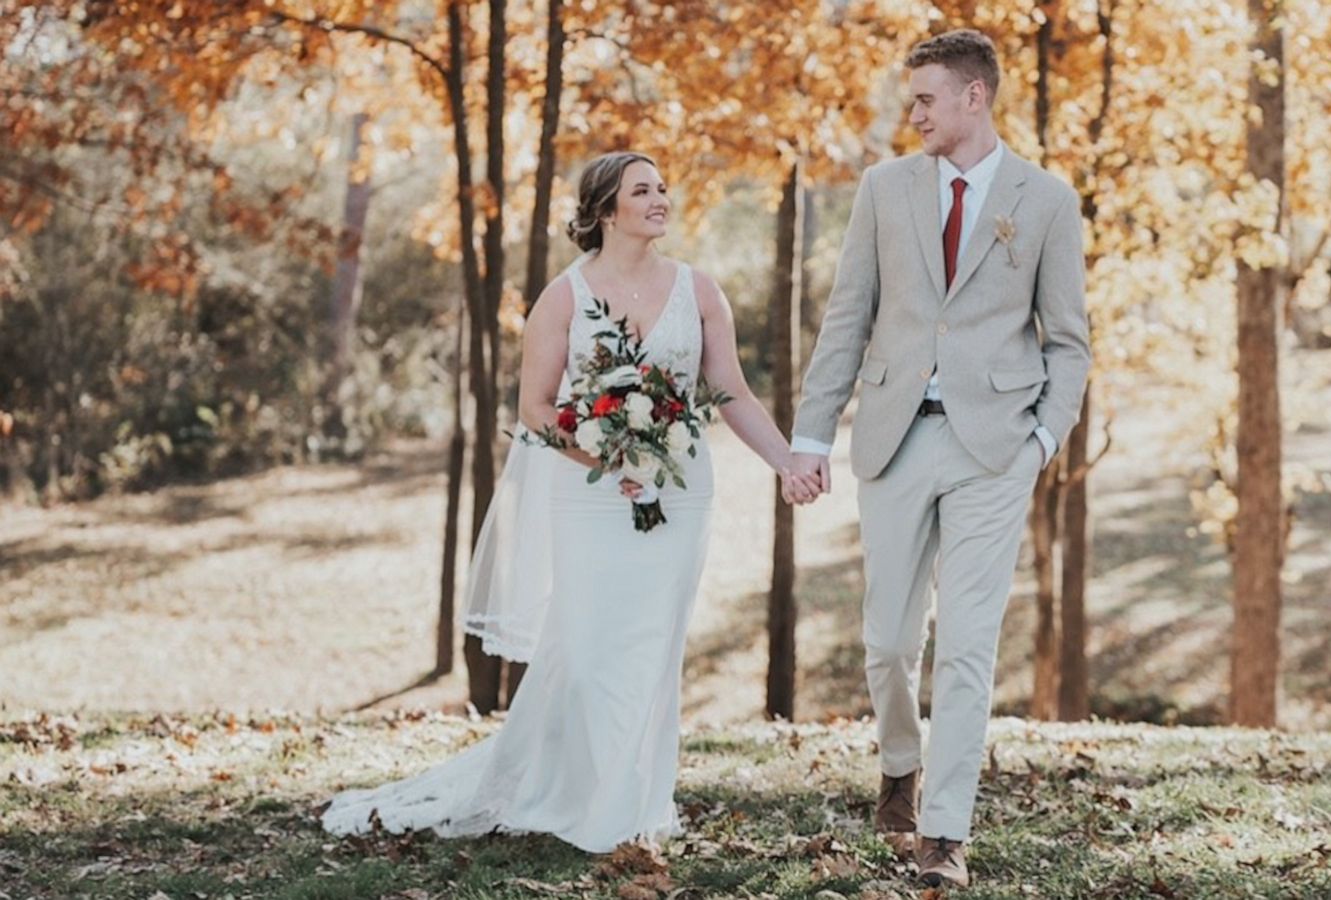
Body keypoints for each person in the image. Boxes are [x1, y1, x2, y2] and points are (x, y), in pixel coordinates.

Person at [321, 151, 821, 852]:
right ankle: (569, 788)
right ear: (605, 210)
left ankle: (632, 805)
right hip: (590, 494)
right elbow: (533, 408)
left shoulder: (700, 291)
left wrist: (785, 462)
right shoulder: (564, 297)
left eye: (663, 188)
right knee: (587, 653)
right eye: (642, 190)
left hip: (679, 494)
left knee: (652, 650)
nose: (660, 199)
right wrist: (609, 454)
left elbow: (729, 389)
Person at [788, 29, 1091, 888]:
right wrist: (812, 436)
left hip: (995, 446)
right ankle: (898, 763)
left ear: (974, 97)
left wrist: (1040, 440)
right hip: (893, 434)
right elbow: (846, 317)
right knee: (887, 641)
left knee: (967, 642)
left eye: (925, 98)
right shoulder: (885, 190)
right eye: (911, 98)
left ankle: (944, 836)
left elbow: (1069, 342)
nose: (912, 113)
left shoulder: (1046, 200)